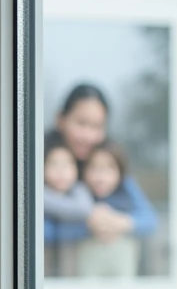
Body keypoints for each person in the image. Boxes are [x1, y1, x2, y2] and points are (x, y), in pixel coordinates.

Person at [43, 84, 158, 269]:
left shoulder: (106, 165)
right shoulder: (41, 162)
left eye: (97, 126)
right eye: (81, 124)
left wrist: (118, 223)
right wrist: (87, 226)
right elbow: (28, 229)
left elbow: (149, 219)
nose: (88, 136)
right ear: (60, 120)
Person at [76, 142, 141, 278]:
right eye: (94, 168)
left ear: (120, 172)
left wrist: (118, 223)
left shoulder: (127, 191)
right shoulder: (78, 193)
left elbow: (151, 221)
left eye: (108, 168)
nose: (100, 177)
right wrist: (89, 225)